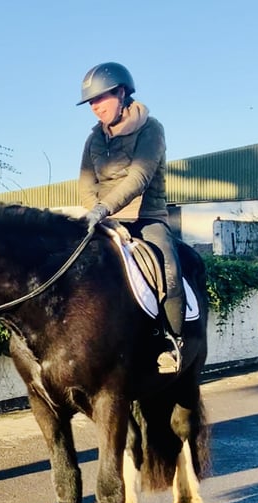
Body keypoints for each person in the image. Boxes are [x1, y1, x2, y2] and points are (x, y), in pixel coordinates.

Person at [76, 62, 185, 375]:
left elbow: (139, 176)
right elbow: (85, 182)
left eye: (101, 99)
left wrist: (104, 207)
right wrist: (94, 210)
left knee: (168, 268)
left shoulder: (152, 129)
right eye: (91, 103)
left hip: (146, 218)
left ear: (121, 93)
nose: (95, 108)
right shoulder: (93, 139)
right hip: (104, 218)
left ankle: (171, 341)